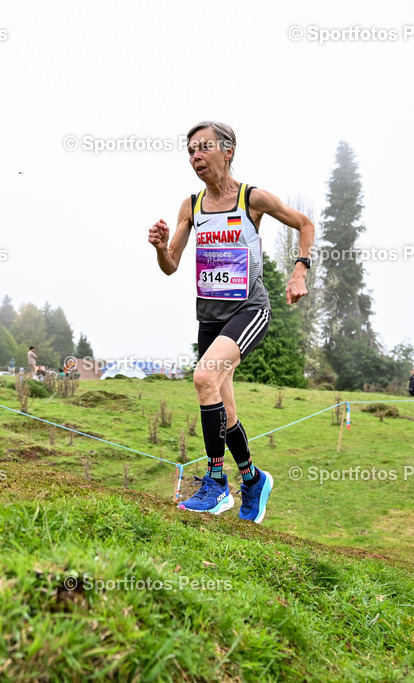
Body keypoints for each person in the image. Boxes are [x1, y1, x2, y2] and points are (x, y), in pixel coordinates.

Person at [148, 121, 314, 524]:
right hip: (209, 317)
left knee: (204, 378)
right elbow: (171, 266)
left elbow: (305, 224)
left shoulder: (251, 199)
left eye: (203, 148)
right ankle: (254, 480)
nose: (195, 157)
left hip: (248, 310)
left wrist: (299, 271)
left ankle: (217, 484)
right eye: (190, 151)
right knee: (226, 409)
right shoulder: (190, 206)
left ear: (228, 151)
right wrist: (159, 247)